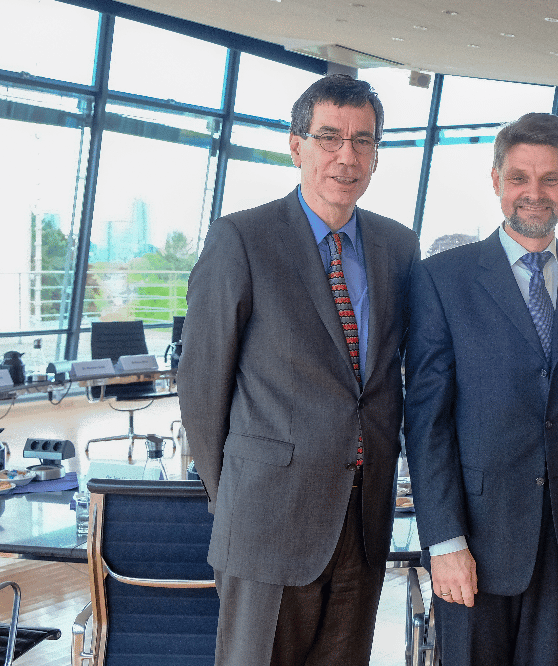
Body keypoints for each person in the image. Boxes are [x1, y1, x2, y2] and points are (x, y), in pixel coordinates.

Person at [177, 74, 419, 666]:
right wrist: (235, 493)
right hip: (265, 520)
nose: (346, 156)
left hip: (363, 519)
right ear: (296, 145)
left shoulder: (398, 247)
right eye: (330, 137)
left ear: (377, 154)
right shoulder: (242, 238)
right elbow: (201, 387)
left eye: (363, 141)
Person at [404, 112, 558, 666]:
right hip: (476, 544)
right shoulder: (445, 278)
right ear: (496, 181)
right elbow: (427, 421)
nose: (534, 193)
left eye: (550, 179)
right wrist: (444, 541)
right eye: (519, 178)